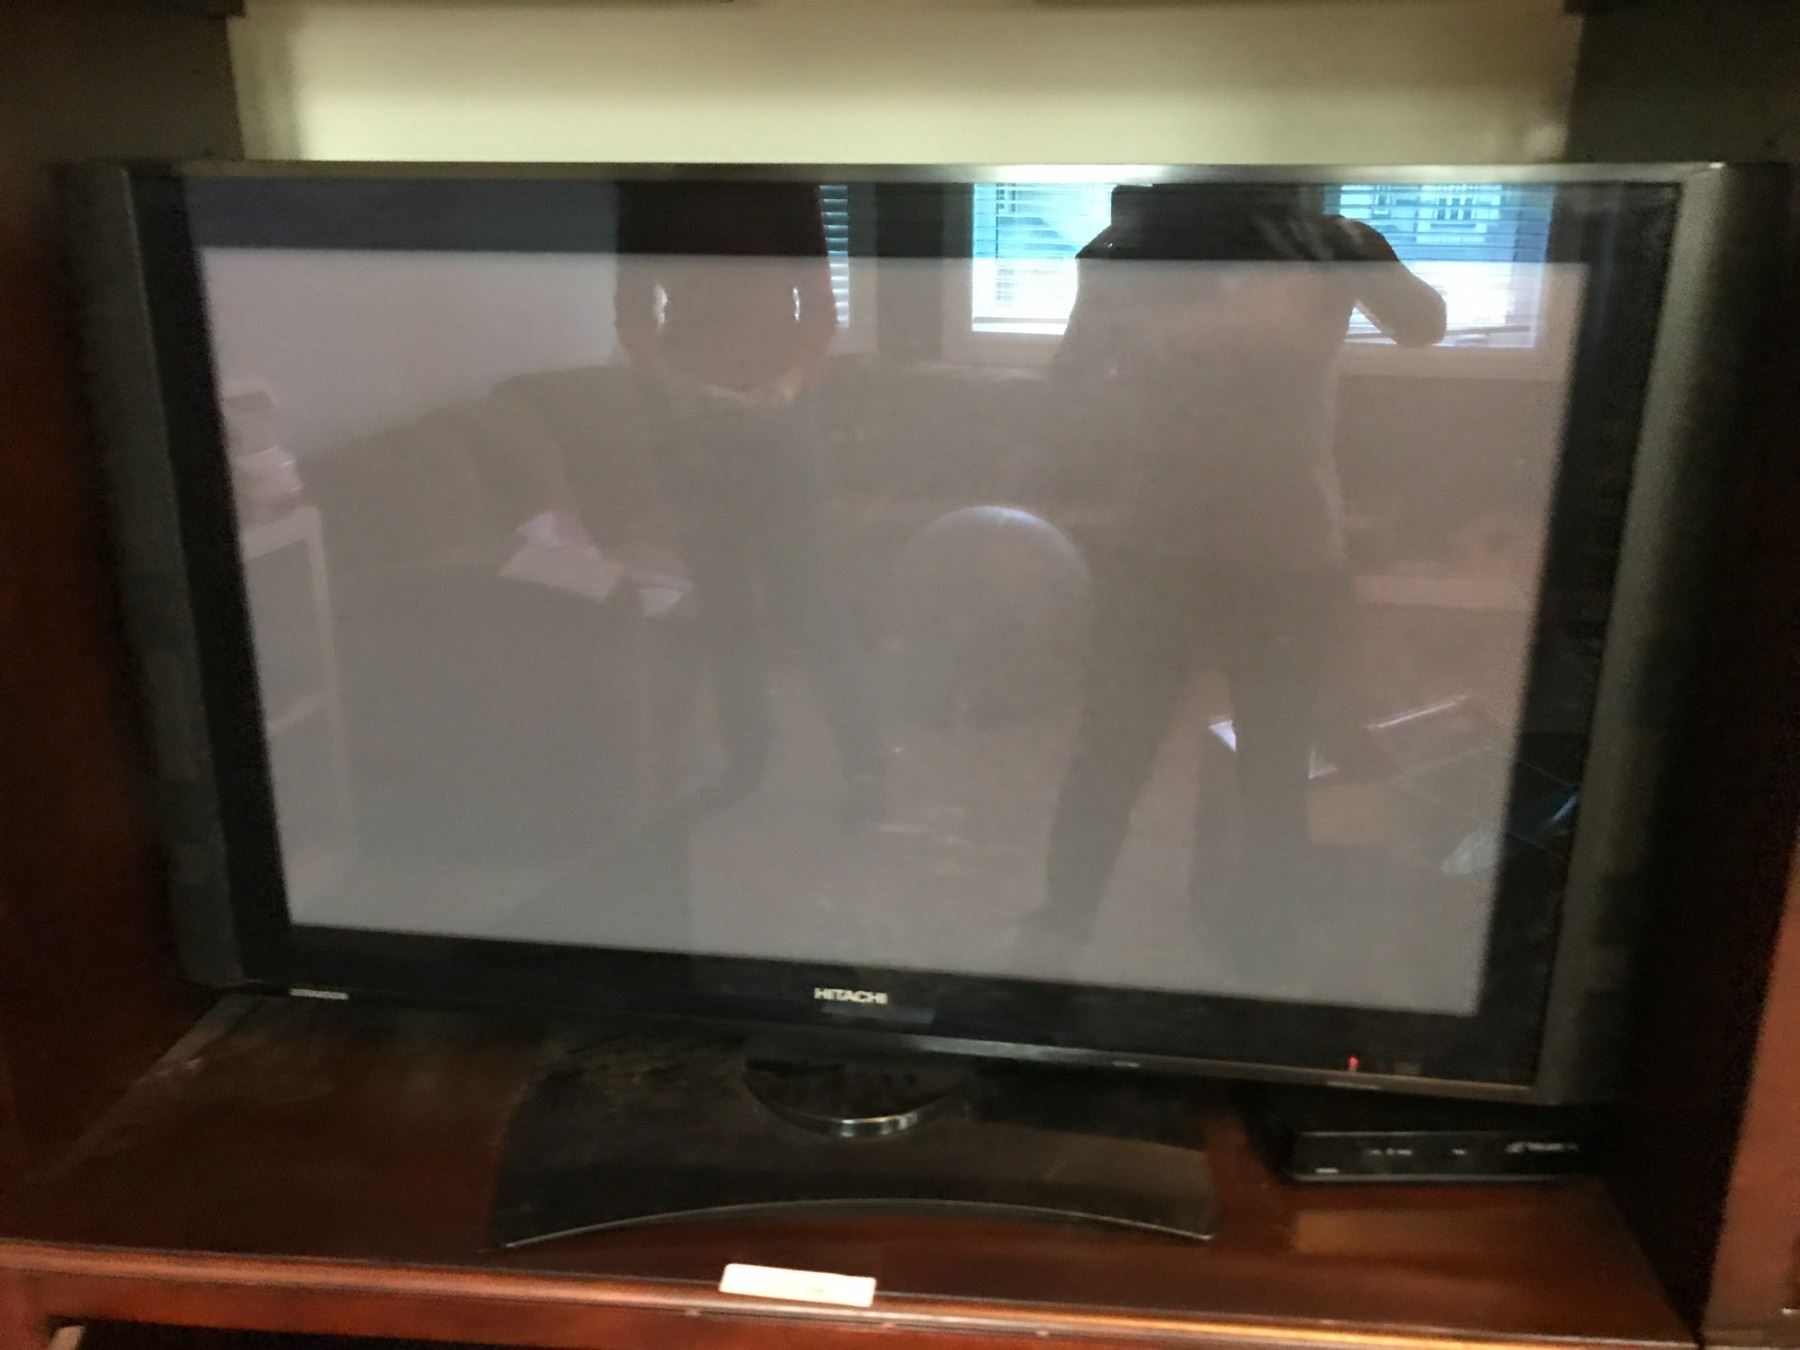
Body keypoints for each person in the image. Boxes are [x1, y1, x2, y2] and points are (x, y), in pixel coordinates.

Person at [1033, 183, 1447, 950]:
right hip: (1163, 553)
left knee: (1273, 768)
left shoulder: (1325, 245)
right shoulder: (1138, 253)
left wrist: (1360, 250)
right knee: (1113, 758)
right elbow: (1071, 385)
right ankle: (1064, 923)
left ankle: (1264, 941)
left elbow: (1424, 325)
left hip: (1282, 559)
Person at [613, 181, 886, 824]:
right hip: (693, 428)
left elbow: (820, 312)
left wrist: (788, 386)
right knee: (724, 605)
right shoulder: (650, 194)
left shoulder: (785, 188)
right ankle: (747, 758)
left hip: (782, 420)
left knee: (809, 598)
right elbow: (633, 318)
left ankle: (866, 764)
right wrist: (681, 388)